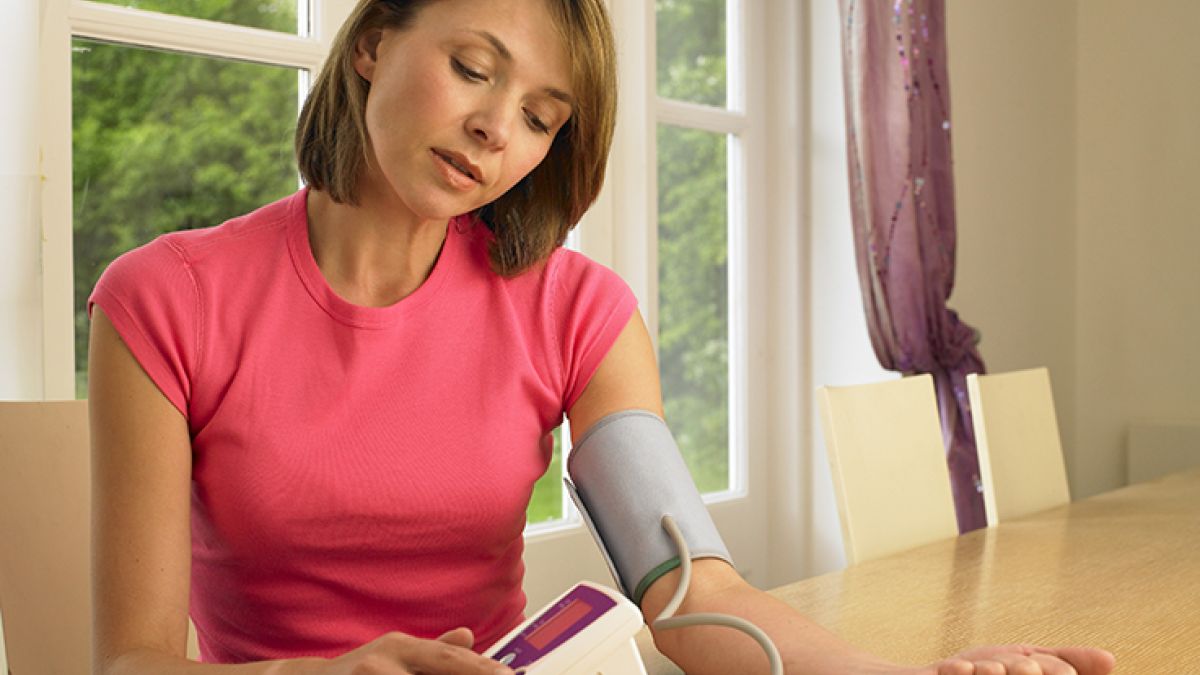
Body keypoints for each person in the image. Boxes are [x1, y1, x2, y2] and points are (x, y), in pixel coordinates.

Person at [86, 1, 1117, 673]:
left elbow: (686, 585)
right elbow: (132, 662)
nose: (498, 130)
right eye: (473, 68)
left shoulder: (580, 310)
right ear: (371, 42)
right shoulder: (164, 300)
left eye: (542, 117)